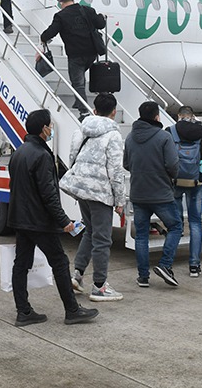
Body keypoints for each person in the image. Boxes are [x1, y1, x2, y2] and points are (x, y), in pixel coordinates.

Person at [8, 109, 98, 326]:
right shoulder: (42, 155)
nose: (51, 129)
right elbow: (48, 195)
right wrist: (64, 221)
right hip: (38, 221)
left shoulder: (18, 152)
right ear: (43, 129)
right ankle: (72, 310)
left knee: (21, 264)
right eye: (50, 125)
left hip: (21, 219)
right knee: (59, 261)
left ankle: (23, 311)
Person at [61, 93, 126, 302]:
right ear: (114, 112)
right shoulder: (114, 135)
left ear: (94, 110)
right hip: (100, 193)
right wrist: (120, 200)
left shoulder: (80, 130)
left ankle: (77, 275)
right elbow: (116, 170)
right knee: (102, 239)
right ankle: (99, 286)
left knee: (90, 232)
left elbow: (72, 157)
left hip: (81, 189)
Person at [124, 101, 182, 288]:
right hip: (161, 194)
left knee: (141, 235)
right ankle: (165, 265)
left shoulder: (131, 137)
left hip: (138, 193)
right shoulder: (164, 137)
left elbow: (126, 164)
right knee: (175, 227)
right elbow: (173, 165)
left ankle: (143, 277)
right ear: (157, 116)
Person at [165, 105, 202, 278]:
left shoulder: (170, 131)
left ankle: (168, 262)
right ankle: (194, 265)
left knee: (175, 225)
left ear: (179, 116)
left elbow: (166, 156)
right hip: (196, 182)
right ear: (192, 116)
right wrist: (201, 174)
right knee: (195, 222)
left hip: (176, 181)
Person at [40, 0, 107, 117]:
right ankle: (78, 101)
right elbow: (100, 24)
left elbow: (51, 32)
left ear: (61, 3)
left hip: (76, 54)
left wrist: (43, 38)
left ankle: (84, 111)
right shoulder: (87, 10)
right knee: (79, 77)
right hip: (91, 53)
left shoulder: (61, 16)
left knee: (78, 82)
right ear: (72, 0)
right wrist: (102, 17)